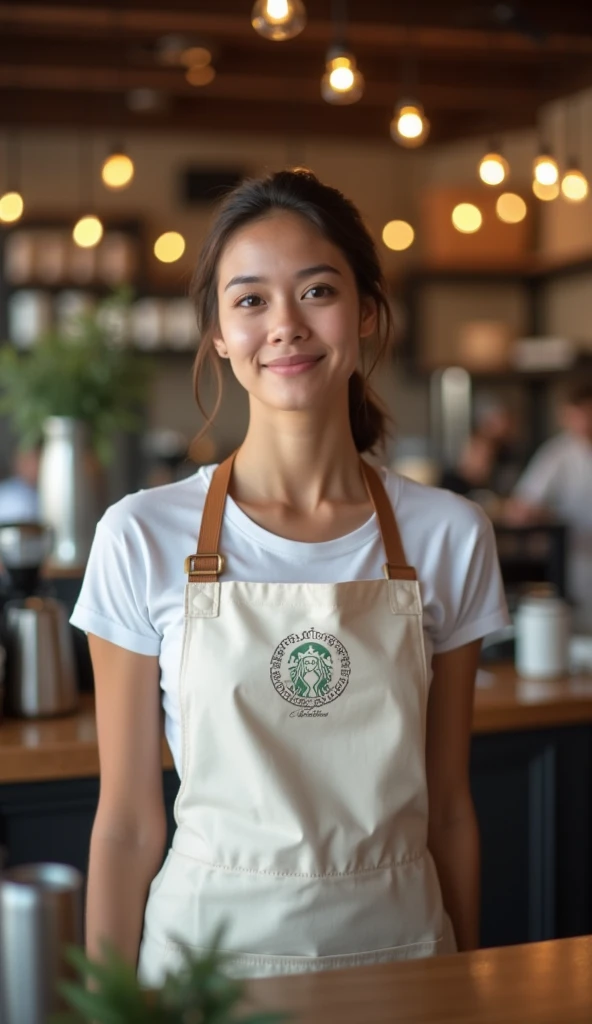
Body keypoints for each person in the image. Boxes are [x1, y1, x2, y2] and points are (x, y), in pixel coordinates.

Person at [71, 169, 510, 984]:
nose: (285, 327)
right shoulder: (140, 535)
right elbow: (129, 823)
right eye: (250, 301)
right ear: (217, 336)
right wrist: (109, 1009)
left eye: (316, 291)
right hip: (203, 970)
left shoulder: (449, 534)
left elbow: (449, 807)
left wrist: (466, 991)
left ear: (367, 311)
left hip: (405, 960)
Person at [506, 377, 592, 632]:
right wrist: (547, 515)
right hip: (577, 559)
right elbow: (519, 508)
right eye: (578, 415)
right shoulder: (558, 454)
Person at [0, 445, 40, 525]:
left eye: (36, 459)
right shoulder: (6, 496)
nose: (32, 466)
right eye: (27, 460)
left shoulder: (44, 493)